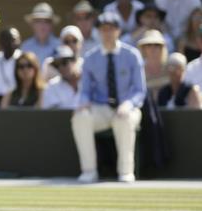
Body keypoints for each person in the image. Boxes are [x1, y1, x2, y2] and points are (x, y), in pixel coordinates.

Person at [72, 12, 146, 183]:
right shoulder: (90, 58)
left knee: (124, 119)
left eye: (111, 29)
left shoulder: (132, 55)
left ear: (118, 31)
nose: (107, 33)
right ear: (98, 32)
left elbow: (139, 90)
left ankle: (126, 171)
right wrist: (83, 102)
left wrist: (128, 104)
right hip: (101, 108)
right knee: (80, 118)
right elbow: (85, 90)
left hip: (128, 108)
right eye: (103, 29)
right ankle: (89, 171)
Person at [41, 45, 80, 109]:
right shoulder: (52, 86)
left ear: (74, 61)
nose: (61, 68)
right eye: (56, 65)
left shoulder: (89, 81)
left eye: (64, 63)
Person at [137, 29, 169, 99]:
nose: (153, 48)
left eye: (157, 45)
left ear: (162, 48)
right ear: (143, 48)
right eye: (149, 45)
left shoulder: (169, 68)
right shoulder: (138, 70)